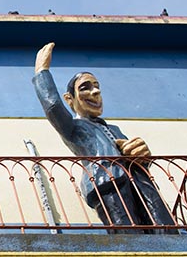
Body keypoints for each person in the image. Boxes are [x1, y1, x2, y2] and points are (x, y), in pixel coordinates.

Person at [32, 42, 177, 233]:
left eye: (97, 87)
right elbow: (53, 108)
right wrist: (42, 72)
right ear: (70, 99)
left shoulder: (115, 129)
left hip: (140, 182)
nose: (95, 92)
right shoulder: (74, 127)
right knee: (128, 234)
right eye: (85, 87)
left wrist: (141, 155)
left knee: (166, 229)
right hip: (107, 183)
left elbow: (136, 158)